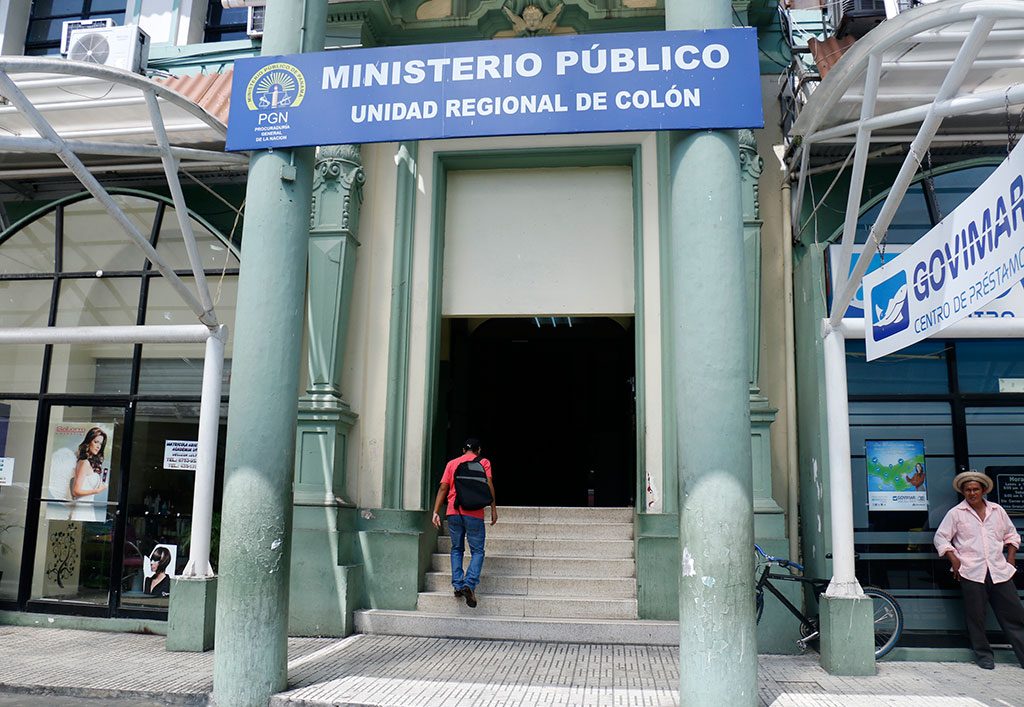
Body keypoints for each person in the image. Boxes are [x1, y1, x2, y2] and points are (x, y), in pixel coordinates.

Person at [933, 470, 1024, 670]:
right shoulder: (956, 513)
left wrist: (1010, 560)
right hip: (971, 572)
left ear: (983, 490)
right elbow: (941, 538)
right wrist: (954, 558)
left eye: (975, 489)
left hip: (1000, 571)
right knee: (976, 617)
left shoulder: (997, 510)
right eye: (968, 490)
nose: (972, 493)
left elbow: (1012, 536)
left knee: (1015, 615)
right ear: (963, 492)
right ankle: (984, 656)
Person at [431, 438, 497, 608]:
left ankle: (458, 585)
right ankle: (470, 583)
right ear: (479, 450)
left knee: (457, 549)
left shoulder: (452, 464)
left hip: (454, 512)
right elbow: (489, 485)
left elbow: (443, 488)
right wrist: (494, 507)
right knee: (477, 551)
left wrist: (436, 511)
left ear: (462, 450)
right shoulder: (484, 462)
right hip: (474, 513)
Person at [71, 427, 109, 501]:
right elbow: (75, 491)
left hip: (87, 508)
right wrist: (97, 491)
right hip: (81, 509)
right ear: (89, 442)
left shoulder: (87, 463)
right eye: (96, 442)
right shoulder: (84, 462)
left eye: (100, 444)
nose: (98, 447)